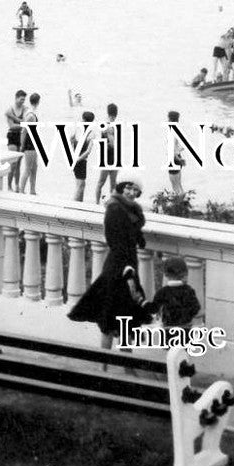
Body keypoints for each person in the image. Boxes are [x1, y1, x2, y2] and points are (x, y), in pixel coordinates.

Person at [68, 174, 151, 350]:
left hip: (129, 263)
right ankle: (104, 366)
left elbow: (132, 231)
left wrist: (139, 238)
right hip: (117, 267)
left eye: (135, 190)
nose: (131, 192)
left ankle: (123, 364)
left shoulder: (132, 209)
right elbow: (113, 240)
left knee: (127, 318)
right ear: (121, 187)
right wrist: (126, 268)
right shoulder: (114, 208)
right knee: (111, 319)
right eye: (129, 187)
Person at [143, 256, 203, 330]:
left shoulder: (162, 292)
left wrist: (141, 301)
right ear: (184, 273)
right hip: (185, 328)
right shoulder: (188, 290)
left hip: (168, 329)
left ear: (165, 274)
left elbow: (153, 309)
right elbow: (196, 308)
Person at [94, 103, 120, 203]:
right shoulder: (110, 126)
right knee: (111, 184)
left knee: (101, 182)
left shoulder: (106, 124)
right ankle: (109, 204)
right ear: (115, 114)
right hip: (110, 157)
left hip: (106, 156)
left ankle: (97, 203)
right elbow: (113, 144)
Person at [18, 92, 41, 196]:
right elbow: (24, 131)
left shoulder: (30, 112)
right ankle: (21, 190)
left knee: (34, 167)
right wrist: (22, 145)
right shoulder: (30, 115)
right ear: (38, 102)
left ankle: (32, 190)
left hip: (33, 143)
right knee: (28, 168)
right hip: (29, 144)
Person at [4, 90, 28, 191]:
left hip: (21, 136)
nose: (22, 101)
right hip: (12, 136)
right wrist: (22, 124)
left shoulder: (25, 109)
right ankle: (9, 185)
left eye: (24, 99)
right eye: (21, 99)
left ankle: (17, 185)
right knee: (12, 163)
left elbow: (27, 123)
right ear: (16, 98)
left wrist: (16, 119)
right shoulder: (10, 109)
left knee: (19, 163)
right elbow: (12, 126)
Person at [71, 110, 96, 201]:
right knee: (80, 185)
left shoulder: (79, 130)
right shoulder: (91, 133)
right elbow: (88, 151)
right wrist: (79, 159)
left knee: (81, 184)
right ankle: (74, 205)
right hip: (81, 161)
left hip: (75, 159)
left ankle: (80, 204)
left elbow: (71, 140)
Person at [166, 109, 185, 195]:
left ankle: (178, 204)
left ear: (170, 119)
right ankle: (182, 202)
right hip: (178, 157)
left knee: (175, 186)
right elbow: (181, 146)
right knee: (179, 184)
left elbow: (172, 149)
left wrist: (177, 158)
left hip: (174, 159)